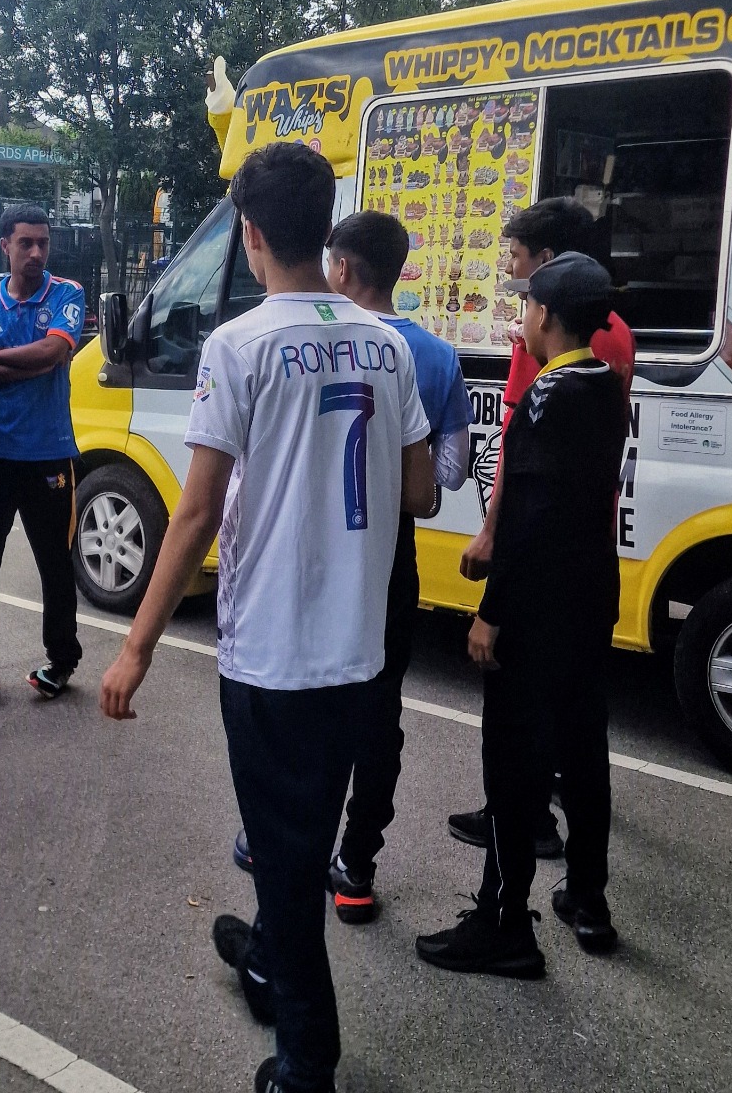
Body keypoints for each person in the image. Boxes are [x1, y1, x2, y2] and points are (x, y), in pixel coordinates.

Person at [99, 144, 434, 1093]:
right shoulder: (387, 342)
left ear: (248, 235)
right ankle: (266, 959)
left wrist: (134, 646)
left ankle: (304, 1063)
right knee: (295, 838)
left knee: (289, 869)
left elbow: (196, 513)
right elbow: (417, 491)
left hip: (274, 656)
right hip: (357, 652)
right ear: (326, 234)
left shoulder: (237, 346)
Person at [230, 210, 470, 926]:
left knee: (298, 699)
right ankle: (358, 865)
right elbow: (445, 478)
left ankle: (278, 840)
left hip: (307, 549)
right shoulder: (430, 356)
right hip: (388, 553)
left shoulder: (292, 339)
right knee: (377, 710)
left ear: (340, 268)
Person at [417, 250, 629, 978]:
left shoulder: (546, 396)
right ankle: (588, 897)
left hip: (538, 609)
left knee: (512, 766)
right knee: (582, 748)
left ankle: (504, 922)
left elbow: (533, 519)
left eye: (525, 307)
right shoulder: (606, 385)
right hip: (589, 596)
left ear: (547, 315)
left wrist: (491, 612)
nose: (519, 319)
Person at [450, 197, 636, 857]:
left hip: (540, 557)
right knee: (581, 720)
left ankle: (519, 834)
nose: (516, 293)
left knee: (519, 708)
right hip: (590, 553)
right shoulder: (613, 338)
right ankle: (585, 886)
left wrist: (492, 542)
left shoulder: (549, 363)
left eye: (521, 270)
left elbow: (518, 456)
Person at [0, 204, 86, 699]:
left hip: (50, 455)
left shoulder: (67, 292)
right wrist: (27, 364)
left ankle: (62, 661)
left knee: (55, 563)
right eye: (25, 243)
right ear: (5, 245)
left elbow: (54, 351)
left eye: (43, 243)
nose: (35, 252)